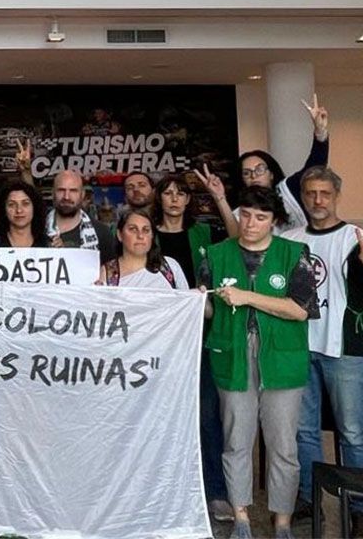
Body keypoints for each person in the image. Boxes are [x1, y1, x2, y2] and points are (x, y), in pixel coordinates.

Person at [199, 185, 318, 539]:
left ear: (274, 222)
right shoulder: (215, 254)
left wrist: (248, 296)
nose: (250, 223)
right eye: (245, 215)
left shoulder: (295, 253)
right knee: (236, 439)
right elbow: (207, 308)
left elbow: (299, 310)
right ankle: (241, 518)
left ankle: (281, 521)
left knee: (283, 444)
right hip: (231, 354)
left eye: (261, 217)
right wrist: (196, 301)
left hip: (281, 359)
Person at [152, 170, 236, 523]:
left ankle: (215, 491)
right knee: (156, 415)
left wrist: (219, 197)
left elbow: (236, 239)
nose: (173, 198)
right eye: (168, 192)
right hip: (156, 340)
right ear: (160, 199)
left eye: (180, 193)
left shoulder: (203, 233)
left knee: (206, 416)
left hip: (200, 337)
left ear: (188, 200)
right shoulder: (145, 233)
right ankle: (159, 489)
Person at [282, 167, 363, 530]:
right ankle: (314, 500)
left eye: (325, 194)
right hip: (299, 345)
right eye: (311, 193)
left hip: (343, 348)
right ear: (303, 196)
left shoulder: (353, 238)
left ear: (336, 196)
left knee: (352, 432)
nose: (317, 200)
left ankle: (358, 504)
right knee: (304, 430)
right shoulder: (290, 238)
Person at [236, 94, 329, 232]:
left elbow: (315, 166)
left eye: (259, 169)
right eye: (246, 173)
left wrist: (320, 132)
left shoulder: (288, 190)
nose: (253, 176)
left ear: (271, 174)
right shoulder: (240, 209)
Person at [99, 209, 187, 290]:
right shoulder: (106, 275)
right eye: (133, 229)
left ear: (152, 236)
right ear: (120, 235)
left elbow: (187, 303)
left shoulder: (170, 267)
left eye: (146, 230)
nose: (140, 236)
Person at [46, 170, 117, 263]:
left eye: (73, 191)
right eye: (61, 190)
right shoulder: (36, 229)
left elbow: (110, 273)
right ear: (53, 193)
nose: (66, 197)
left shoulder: (102, 232)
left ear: (82, 194)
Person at [0, 182, 51, 249]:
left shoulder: (49, 245)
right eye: (12, 204)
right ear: (3, 209)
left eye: (25, 203)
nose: (19, 210)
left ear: (35, 207)